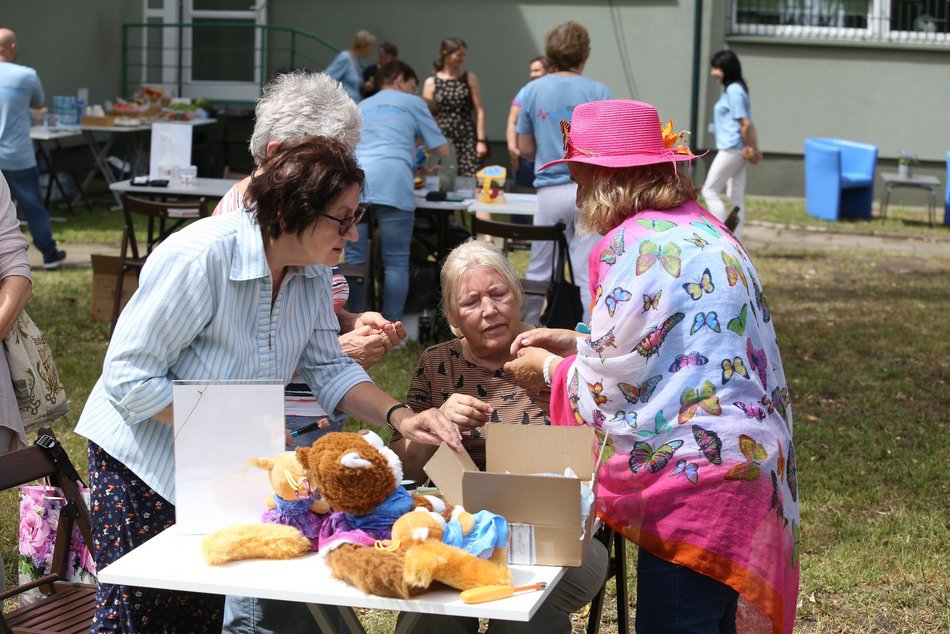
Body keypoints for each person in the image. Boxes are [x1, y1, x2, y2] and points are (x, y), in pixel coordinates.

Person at [75, 137, 464, 633]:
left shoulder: (314, 275)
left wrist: (402, 416)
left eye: (355, 217)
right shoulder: (201, 257)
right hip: (142, 465)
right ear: (292, 209)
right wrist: (236, 421)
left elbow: (330, 368)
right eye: (341, 219)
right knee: (140, 617)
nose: (353, 234)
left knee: (201, 609)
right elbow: (128, 378)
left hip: (216, 467)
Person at [505, 100, 799, 633]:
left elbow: (615, 388)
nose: (577, 197)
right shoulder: (707, 231)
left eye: (579, 180)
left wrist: (552, 370)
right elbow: (669, 346)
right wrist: (578, 342)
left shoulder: (632, 243)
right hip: (749, 464)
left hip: (692, 477)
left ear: (605, 179)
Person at [390, 239, 608, 634]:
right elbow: (403, 468)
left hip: (557, 540)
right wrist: (434, 424)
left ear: (518, 295)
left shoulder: (555, 358)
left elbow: (605, 455)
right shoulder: (437, 363)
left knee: (526, 617)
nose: (489, 310)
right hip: (461, 536)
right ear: (452, 315)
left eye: (498, 294)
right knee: (431, 618)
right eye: (471, 302)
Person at [213, 70, 405, 449]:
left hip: (311, 417)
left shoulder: (303, 225)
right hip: (261, 431)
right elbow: (236, 359)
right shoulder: (234, 233)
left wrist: (347, 321)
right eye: (325, 166)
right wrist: (341, 351)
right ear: (276, 155)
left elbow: (302, 310)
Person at [515, 21, 612, 324]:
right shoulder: (599, 91)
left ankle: (526, 330)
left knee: (539, 267)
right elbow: (608, 144)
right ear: (584, 54)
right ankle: (590, 332)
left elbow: (525, 148)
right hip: (588, 188)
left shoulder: (532, 90)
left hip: (549, 189)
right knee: (587, 269)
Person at [346, 60, 448, 323]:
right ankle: (392, 326)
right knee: (396, 261)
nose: (413, 91)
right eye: (413, 85)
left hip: (356, 182)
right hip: (394, 182)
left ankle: (354, 322)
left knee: (355, 260)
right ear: (401, 79)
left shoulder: (361, 104)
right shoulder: (413, 103)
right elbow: (441, 149)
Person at [0, 28, 65, 269]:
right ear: (13, 48)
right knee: (33, 206)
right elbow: (39, 107)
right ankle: (49, 254)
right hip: (17, 155)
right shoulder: (27, 76)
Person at [700, 49, 761, 239]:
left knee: (709, 190)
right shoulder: (736, 89)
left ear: (727, 69)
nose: (713, 72)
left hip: (732, 149)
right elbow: (748, 124)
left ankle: (721, 234)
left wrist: (751, 148)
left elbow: (745, 124)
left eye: (717, 68)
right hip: (739, 150)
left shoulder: (734, 90)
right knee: (736, 194)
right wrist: (754, 148)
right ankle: (737, 239)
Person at [422, 37, 488, 179]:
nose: (462, 59)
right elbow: (427, 116)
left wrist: (481, 141)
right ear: (445, 52)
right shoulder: (431, 82)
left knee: (470, 178)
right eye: (458, 55)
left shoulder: (469, 78)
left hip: (467, 137)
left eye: (464, 55)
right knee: (442, 178)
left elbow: (479, 110)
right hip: (441, 138)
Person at [506, 55, 551, 190]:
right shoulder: (525, 91)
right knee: (522, 199)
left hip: (549, 157)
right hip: (526, 159)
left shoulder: (555, 91)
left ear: (550, 70)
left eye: (537, 70)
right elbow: (512, 121)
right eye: (531, 71)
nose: (532, 74)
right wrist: (512, 148)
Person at [324, 30, 376, 102]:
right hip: (341, 105)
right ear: (362, 46)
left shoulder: (356, 61)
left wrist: (364, 87)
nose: (371, 50)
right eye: (370, 46)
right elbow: (326, 78)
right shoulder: (345, 57)